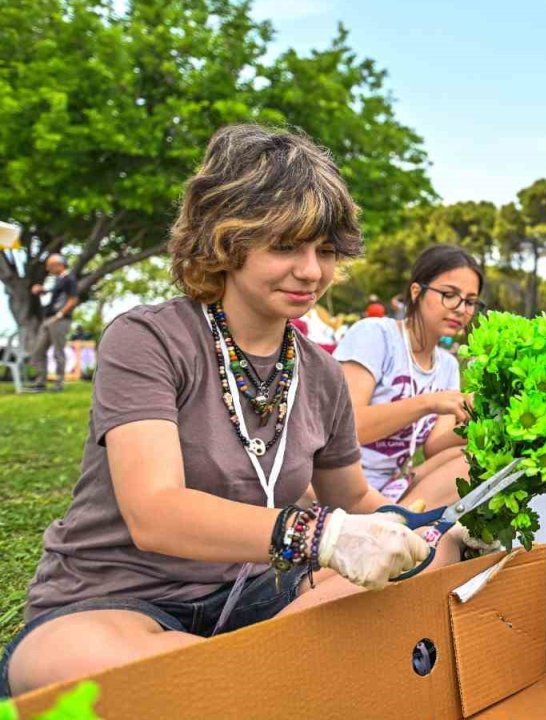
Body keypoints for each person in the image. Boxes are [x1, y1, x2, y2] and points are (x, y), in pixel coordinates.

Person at [0, 124, 463, 698]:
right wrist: (320, 536)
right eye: (286, 245)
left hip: (264, 595)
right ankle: (263, 675)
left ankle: (268, 672)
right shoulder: (149, 338)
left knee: (437, 564)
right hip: (114, 599)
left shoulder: (319, 374)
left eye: (324, 250)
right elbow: (156, 512)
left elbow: (353, 499)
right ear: (226, 240)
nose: (312, 271)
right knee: (195, 681)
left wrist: (427, 527)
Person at [334, 245, 481, 503]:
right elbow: (347, 427)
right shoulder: (376, 335)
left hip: (393, 485)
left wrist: (483, 419)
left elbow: (434, 446)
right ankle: (412, 527)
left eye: (469, 301)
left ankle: (407, 523)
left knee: (475, 458)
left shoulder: (446, 365)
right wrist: (429, 403)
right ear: (416, 292)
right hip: (341, 485)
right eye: (449, 294)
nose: (460, 308)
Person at [25, 254, 79, 392]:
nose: (47, 269)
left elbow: (73, 300)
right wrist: (42, 290)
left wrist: (59, 315)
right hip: (48, 319)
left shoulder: (69, 279)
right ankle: (40, 382)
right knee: (38, 350)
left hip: (60, 320)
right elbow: (56, 297)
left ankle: (58, 384)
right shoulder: (58, 281)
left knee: (58, 352)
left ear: (59, 265)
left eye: (50, 266)